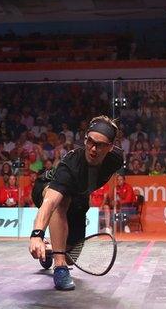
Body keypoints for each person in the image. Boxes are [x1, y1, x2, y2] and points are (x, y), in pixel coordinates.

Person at [28, 116, 124, 291]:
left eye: (100, 145)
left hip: (79, 199)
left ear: (110, 147)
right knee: (60, 201)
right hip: (48, 188)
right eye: (90, 141)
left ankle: (51, 250)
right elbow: (50, 202)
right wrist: (36, 235)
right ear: (85, 138)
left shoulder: (116, 159)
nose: (93, 149)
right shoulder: (71, 164)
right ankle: (59, 267)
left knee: (71, 256)